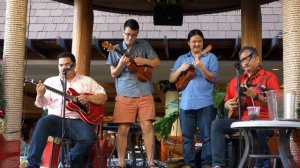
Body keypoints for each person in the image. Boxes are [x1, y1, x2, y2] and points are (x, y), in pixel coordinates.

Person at [26, 52, 107, 168]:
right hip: (56, 120)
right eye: (61, 65)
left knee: (89, 138)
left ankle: (68, 160)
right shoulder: (50, 81)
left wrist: (89, 98)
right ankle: (32, 164)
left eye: (67, 64)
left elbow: (103, 97)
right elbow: (41, 104)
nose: (63, 67)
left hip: (78, 120)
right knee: (43, 122)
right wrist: (40, 95)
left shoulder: (87, 81)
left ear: (73, 65)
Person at [211, 46, 281, 168]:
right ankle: (218, 165)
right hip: (241, 121)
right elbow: (228, 101)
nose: (244, 62)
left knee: (258, 128)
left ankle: (257, 165)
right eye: (241, 60)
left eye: (247, 58)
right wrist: (228, 104)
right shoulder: (235, 80)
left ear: (257, 59)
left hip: (264, 121)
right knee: (217, 125)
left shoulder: (269, 77)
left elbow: (276, 103)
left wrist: (255, 96)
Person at [106, 19, 160, 167]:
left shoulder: (144, 45)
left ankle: (150, 163)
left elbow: (156, 62)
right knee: (123, 128)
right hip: (125, 93)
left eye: (133, 35)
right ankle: (121, 164)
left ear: (137, 34)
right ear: (123, 32)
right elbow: (113, 74)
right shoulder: (114, 49)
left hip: (145, 92)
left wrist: (144, 61)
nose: (130, 38)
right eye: (128, 34)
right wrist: (121, 64)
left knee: (147, 126)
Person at [169, 29, 218, 168]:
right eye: (194, 42)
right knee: (187, 138)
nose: (197, 44)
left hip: (205, 103)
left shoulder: (211, 58)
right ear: (189, 43)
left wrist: (202, 68)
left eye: (199, 41)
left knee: (207, 137)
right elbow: (172, 79)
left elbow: (213, 79)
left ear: (203, 43)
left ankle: (207, 164)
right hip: (186, 104)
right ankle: (188, 164)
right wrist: (180, 69)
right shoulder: (182, 59)